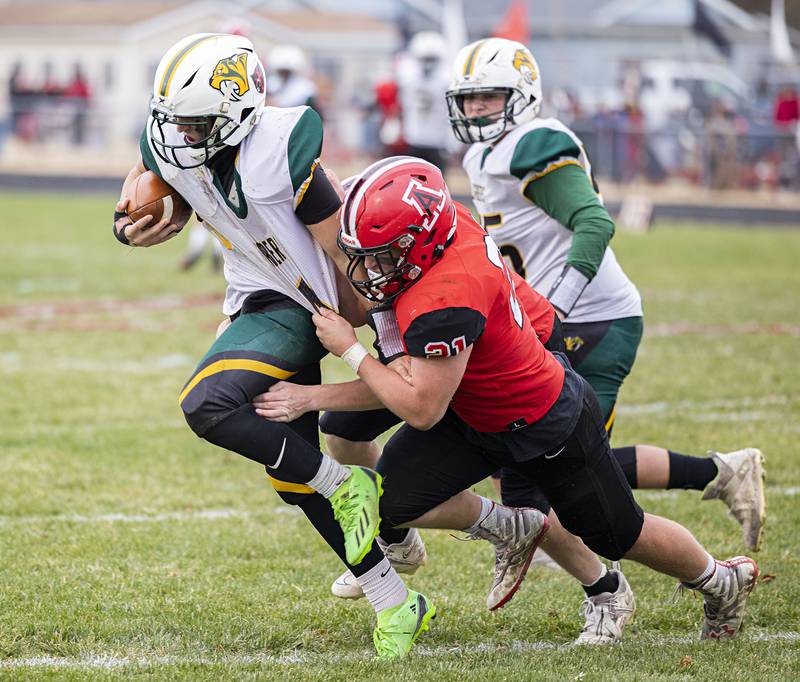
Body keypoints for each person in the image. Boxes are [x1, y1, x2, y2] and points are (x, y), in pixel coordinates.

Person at [260, 156, 759, 642]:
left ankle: (720, 580)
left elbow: (420, 406)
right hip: (476, 408)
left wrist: (344, 355)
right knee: (387, 501)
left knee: (617, 533)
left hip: (542, 421)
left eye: (386, 255)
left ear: (421, 242)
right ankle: (512, 529)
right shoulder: (443, 221)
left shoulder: (445, 301)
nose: (370, 270)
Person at [319, 39, 764, 563]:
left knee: (561, 462)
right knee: (550, 459)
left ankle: (617, 579)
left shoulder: (533, 142)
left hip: (589, 317)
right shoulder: (485, 151)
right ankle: (719, 473)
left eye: (489, 96)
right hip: (537, 313)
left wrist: (553, 304)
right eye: (468, 99)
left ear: (523, 93)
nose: (475, 109)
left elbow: (595, 222)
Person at [110, 33, 434, 659]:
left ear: (237, 114)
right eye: (172, 118)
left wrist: (375, 329)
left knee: (207, 405)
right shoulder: (174, 139)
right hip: (253, 298)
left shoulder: (282, 148)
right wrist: (129, 229)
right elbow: (141, 181)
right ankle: (396, 601)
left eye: (195, 121)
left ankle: (347, 485)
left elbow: (345, 252)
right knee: (292, 476)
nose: (179, 132)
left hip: (304, 304)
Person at [394, 32, 453, 172]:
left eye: (431, 59)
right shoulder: (407, 77)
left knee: (437, 183)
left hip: (437, 141)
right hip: (412, 139)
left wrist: (451, 143)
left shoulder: (446, 79)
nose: (427, 64)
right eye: (424, 59)